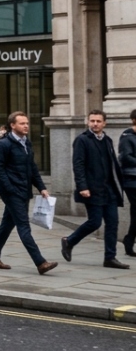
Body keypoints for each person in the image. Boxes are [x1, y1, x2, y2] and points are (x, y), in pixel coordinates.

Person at [0, 111, 56, 274]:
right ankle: (40, 263)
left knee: (7, 223)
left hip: (23, 190)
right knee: (23, 226)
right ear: (12, 125)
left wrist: (42, 187)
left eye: (27, 123)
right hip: (12, 192)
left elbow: (31, 167)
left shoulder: (26, 143)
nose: (26, 126)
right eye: (22, 123)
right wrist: (10, 189)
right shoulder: (4, 144)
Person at [61, 110, 127, 268]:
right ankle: (69, 241)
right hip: (92, 189)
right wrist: (82, 186)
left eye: (98, 121)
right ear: (88, 122)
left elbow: (113, 166)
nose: (95, 124)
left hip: (109, 189)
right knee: (95, 222)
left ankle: (110, 258)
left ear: (104, 123)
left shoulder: (108, 140)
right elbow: (78, 165)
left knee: (113, 223)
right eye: (92, 121)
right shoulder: (82, 140)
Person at [119, 109, 136, 258]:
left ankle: (129, 240)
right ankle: (129, 240)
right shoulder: (127, 137)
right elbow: (126, 158)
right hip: (131, 180)